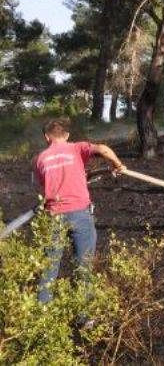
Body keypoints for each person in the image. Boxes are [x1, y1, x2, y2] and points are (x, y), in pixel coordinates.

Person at [32, 119, 126, 303]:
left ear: (46, 137)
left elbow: (41, 192)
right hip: (79, 214)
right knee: (83, 266)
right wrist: (118, 164)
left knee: (48, 268)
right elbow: (103, 149)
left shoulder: (39, 159)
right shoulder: (76, 148)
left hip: (53, 216)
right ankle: (85, 319)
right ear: (67, 136)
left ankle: (42, 315)